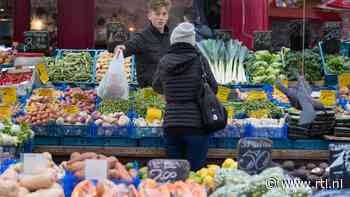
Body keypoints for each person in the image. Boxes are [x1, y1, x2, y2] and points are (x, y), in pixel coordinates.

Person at [152, 22, 218, 171]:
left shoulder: (164, 61)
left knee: (175, 175)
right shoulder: (200, 61)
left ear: (174, 39)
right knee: (195, 175)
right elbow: (214, 88)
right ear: (192, 41)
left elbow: (156, 86)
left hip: (171, 125)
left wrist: (171, 90)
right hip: (196, 126)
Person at [114, 0, 171, 88]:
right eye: (157, 14)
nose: (161, 17)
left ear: (168, 16)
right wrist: (121, 48)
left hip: (168, 90)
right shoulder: (141, 37)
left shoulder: (171, 37)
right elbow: (129, 46)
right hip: (149, 91)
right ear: (149, 16)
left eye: (164, 14)